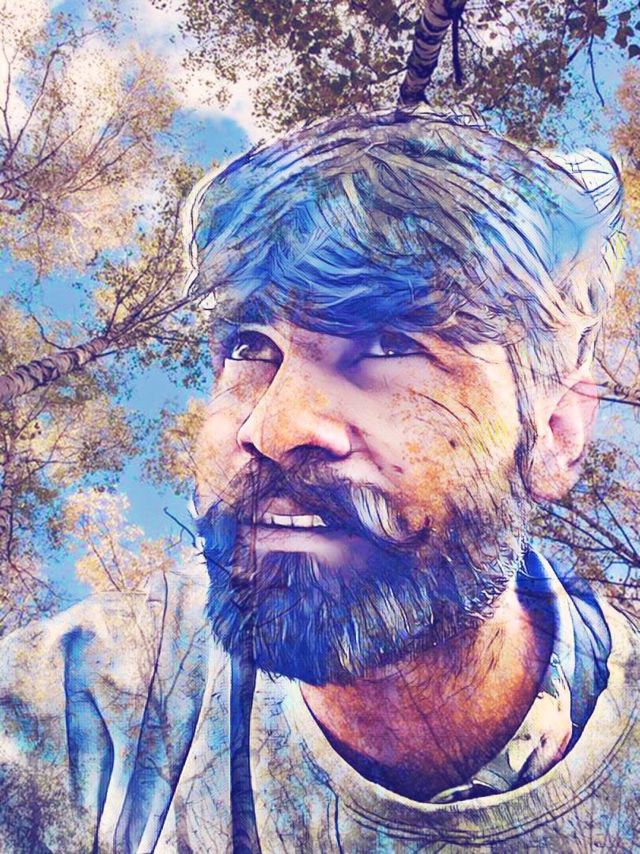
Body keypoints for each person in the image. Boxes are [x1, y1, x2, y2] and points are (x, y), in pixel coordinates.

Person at [0, 110, 638, 853]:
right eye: (250, 345)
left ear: (555, 431)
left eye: (389, 342)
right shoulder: (88, 709)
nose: (272, 426)